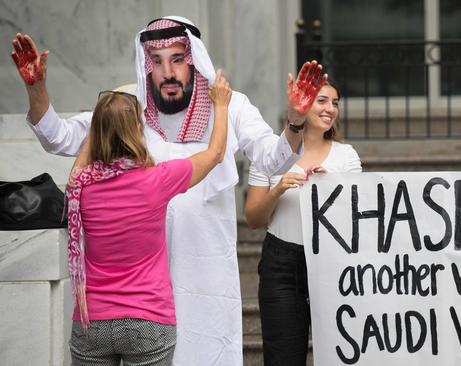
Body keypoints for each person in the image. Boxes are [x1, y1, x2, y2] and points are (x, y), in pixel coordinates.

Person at [11, 16, 326, 366]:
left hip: (205, 274)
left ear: (194, 60)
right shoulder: (126, 104)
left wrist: (296, 121)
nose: (168, 72)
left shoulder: (229, 104)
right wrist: (36, 88)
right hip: (137, 296)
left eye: (178, 59)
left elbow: (272, 158)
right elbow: (58, 136)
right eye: (157, 62)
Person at [66, 73, 230, 364]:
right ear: (138, 130)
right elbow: (216, 153)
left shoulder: (82, 185)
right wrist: (221, 104)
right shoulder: (158, 179)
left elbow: (82, 161)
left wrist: (103, 120)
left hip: (92, 322)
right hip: (148, 321)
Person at [244, 81, 362, 365]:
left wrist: (331, 188)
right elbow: (253, 218)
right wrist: (278, 188)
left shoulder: (347, 156)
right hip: (282, 264)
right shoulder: (270, 153)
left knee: (340, 356)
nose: (330, 109)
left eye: (335, 103)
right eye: (322, 101)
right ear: (303, 105)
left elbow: (358, 220)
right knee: (283, 356)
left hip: (333, 263)